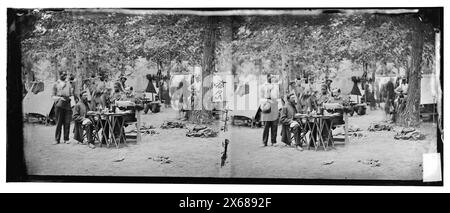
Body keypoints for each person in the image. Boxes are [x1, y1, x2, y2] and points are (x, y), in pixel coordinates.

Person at [51, 71, 73, 145]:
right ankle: (57, 139)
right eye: (63, 74)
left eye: (65, 74)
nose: (65, 76)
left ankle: (66, 139)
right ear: (59, 75)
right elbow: (53, 96)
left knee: (67, 122)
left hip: (67, 103)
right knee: (59, 122)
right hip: (59, 104)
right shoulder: (55, 84)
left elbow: (71, 94)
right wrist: (59, 99)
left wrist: (71, 101)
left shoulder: (68, 84)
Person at [260, 74, 279, 147]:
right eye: (269, 77)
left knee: (274, 124)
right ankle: (264, 142)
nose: (271, 78)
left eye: (272, 77)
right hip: (267, 105)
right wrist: (267, 101)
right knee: (266, 125)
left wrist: (276, 102)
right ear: (267, 77)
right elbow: (261, 98)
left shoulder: (276, 86)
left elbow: (277, 96)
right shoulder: (263, 86)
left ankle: (273, 141)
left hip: (274, 105)